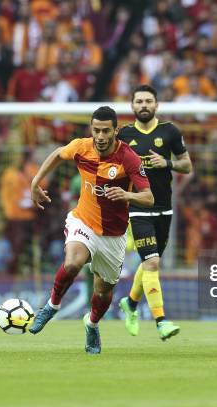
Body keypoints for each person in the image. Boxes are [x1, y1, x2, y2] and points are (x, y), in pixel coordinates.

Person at [29, 106, 153, 354]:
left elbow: (149, 197)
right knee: (73, 263)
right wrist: (35, 182)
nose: (100, 135)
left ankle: (92, 324)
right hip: (83, 221)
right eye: (96, 130)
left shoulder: (128, 158)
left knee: (103, 291)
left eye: (106, 130)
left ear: (115, 131)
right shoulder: (80, 146)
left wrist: (127, 194)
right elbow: (57, 154)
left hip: (113, 236)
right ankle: (51, 306)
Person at [116, 85, 192, 340]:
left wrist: (167, 162)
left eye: (148, 101)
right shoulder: (124, 135)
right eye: (139, 101)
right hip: (138, 207)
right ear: (132, 106)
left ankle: (131, 303)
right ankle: (161, 321)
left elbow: (187, 165)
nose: (144, 105)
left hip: (164, 207)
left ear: (156, 105)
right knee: (152, 262)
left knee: (150, 261)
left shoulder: (169, 131)